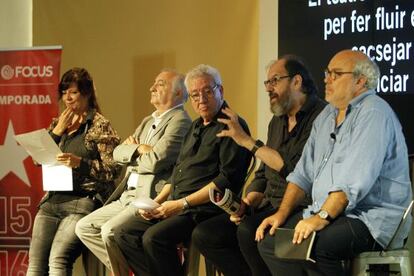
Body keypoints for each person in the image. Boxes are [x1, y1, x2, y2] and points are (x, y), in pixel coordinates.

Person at [256, 49, 413, 276]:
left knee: (316, 247)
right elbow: (302, 174)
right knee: (271, 244)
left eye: (336, 74)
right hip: (332, 212)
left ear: (360, 80)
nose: (326, 79)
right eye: (327, 73)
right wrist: (280, 215)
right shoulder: (326, 116)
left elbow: (352, 183)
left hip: (370, 218)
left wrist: (320, 218)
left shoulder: (374, 112)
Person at [192, 55, 326, 276]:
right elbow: (264, 170)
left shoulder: (320, 117)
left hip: (299, 206)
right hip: (268, 204)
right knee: (205, 234)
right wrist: (248, 199)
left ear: (296, 81)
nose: (268, 89)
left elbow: (295, 171)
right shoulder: (278, 121)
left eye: (275, 81)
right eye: (267, 83)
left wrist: (246, 141)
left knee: (249, 231)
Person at [112, 64, 252, 276]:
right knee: (123, 233)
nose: (201, 99)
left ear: (220, 90)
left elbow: (226, 180)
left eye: (207, 91)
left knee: (154, 238)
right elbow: (177, 172)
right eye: (194, 95)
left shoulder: (231, 124)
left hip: (204, 209)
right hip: (177, 205)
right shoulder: (195, 126)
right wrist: (156, 203)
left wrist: (180, 204)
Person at [75, 69, 192, 276]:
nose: (152, 88)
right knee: (84, 227)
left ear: (178, 94)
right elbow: (117, 153)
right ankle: (129, 271)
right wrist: (139, 149)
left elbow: (156, 161)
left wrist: (136, 151)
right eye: (154, 83)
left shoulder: (180, 121)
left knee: (109, 231)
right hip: (127, 194)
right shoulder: (149, 120)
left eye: (161, 84)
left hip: (148, 196)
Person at [26, 67, 121, 275]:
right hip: (52, 200)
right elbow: (36, 160)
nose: (67, 98)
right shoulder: (58, 123)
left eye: (73, 92)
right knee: (35, 266)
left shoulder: (100, 125)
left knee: (57, 261)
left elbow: (113, 170)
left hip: (82, 201)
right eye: (64, 92)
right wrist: (57, 132)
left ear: (86, 93)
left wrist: (81, 163)